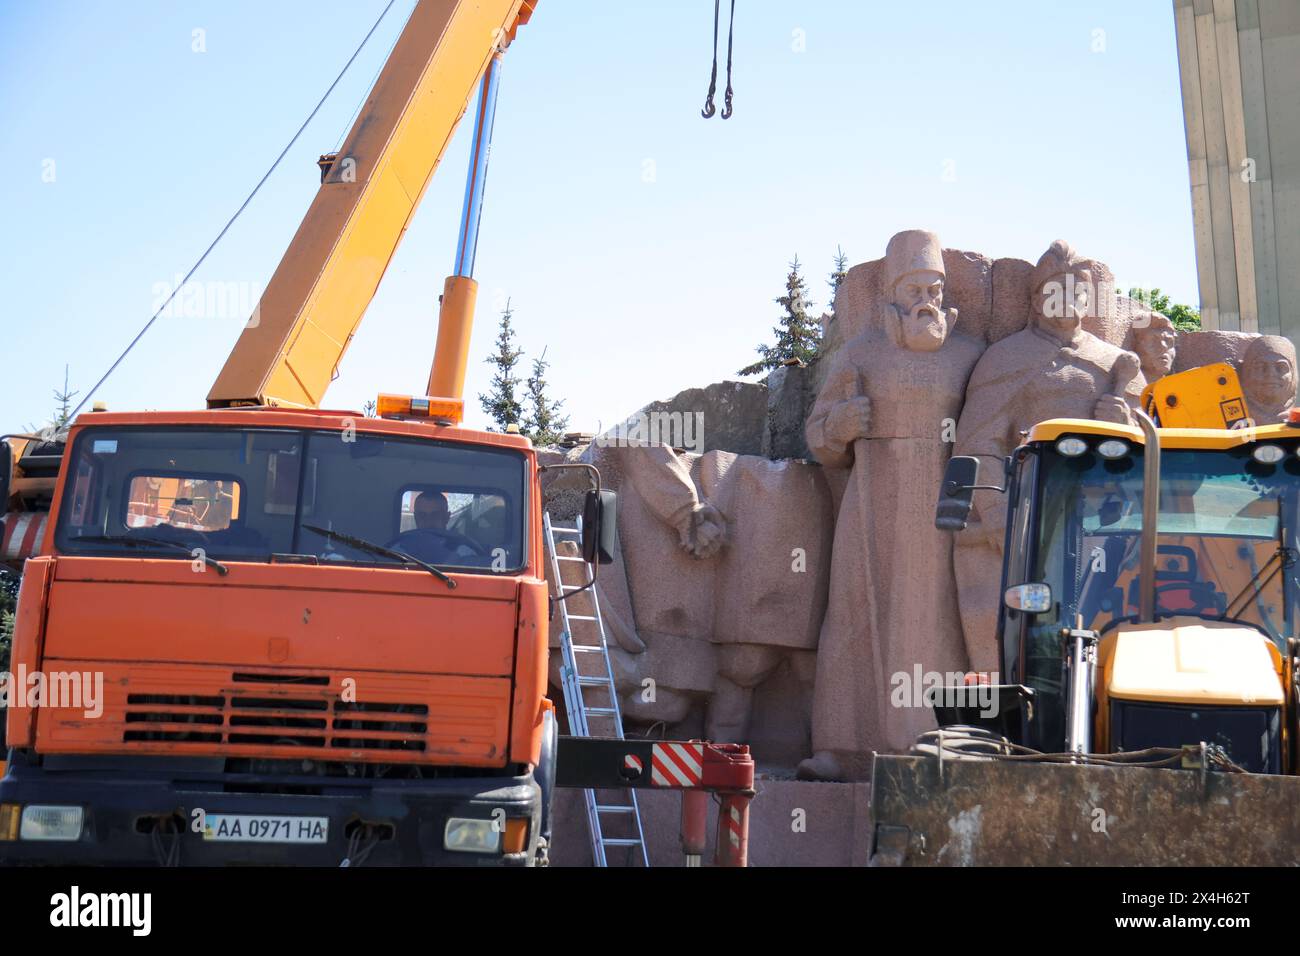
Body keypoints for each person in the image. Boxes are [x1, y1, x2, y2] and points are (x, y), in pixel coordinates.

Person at [797, 229, 983, 781]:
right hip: (873, 503)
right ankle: (843, 745)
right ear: (892, 296)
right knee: (856, 613)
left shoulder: (972, 355)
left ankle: (937, 739)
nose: (927, 298)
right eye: (914, 287)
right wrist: (840, 426)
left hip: (946, 506)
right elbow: (818, 437)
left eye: (935, 286)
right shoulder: (861, 353)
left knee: (935, 617)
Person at [952, 240, 1145, 672]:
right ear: (1036, 300)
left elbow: (1153, 453)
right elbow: (978, 442)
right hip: (1026, 515)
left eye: (1077, 291)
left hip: (1105, 522)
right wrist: (1000, 515)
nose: (1067, 299)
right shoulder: (1005, 358)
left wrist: (1127, 423)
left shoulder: (1115, 363)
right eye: (1055, 290)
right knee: (1004, 628)